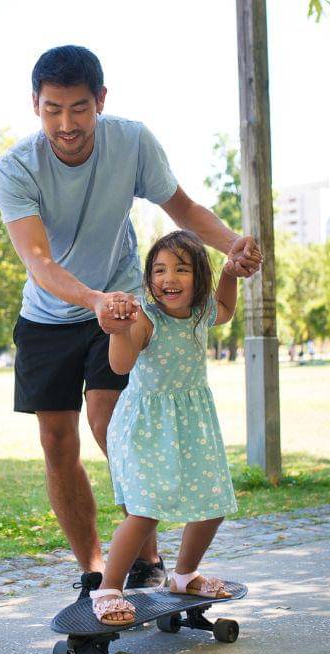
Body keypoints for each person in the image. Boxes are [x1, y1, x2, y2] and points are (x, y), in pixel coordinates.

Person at [0, 44, 262, 601]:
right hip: (51, 310)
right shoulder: (15, 169)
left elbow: (182, 210)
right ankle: (94, 567)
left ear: (101, 101)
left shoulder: (131, 141)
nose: (67, 124)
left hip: (124, 304)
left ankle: (146, 557)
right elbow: (38, 261)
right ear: (35, 106)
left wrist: (233, 244)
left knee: (110, 416)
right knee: (55, 440)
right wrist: (89, 298)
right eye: (53, 110)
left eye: (80, 108)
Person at [89, 229, 240, 624]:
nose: (168, 278)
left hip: (191, 424)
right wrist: (119, 330)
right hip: (145, 427)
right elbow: (120, 366)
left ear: (199, 279)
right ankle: (108, 588)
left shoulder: (201, 311)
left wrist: (230, 272)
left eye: (180, 269)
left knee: (213, 502)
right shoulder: (144, 318)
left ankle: (184, 574)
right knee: (145, 511)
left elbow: (225, 307)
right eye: (159, 270)